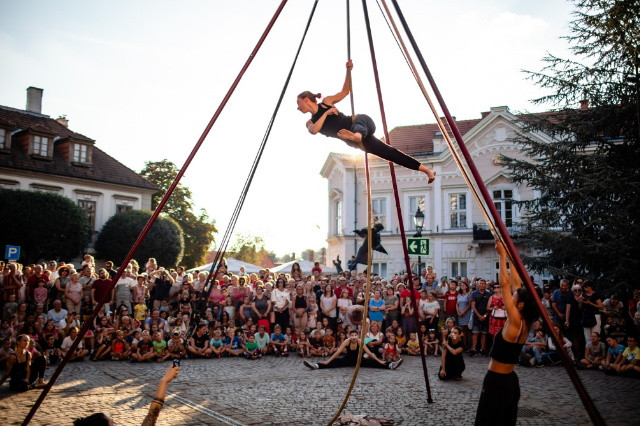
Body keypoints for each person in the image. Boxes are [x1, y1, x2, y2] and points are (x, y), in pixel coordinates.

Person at [297, 60, 436, 182]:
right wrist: (327, 113)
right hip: (359, 142)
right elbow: (314, 130)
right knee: (391, 153)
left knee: (359, 124)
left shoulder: (326, 101)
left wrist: (348, 71)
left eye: (299, 104)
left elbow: (345, 91)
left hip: (360, 122)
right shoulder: (310, 122)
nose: (298, 108)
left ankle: (356, 135)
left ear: (306, 99)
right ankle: (428, 171)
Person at [475, 242, 540, 426]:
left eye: (515, 298)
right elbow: (516, 285)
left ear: (520, 305)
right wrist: (512, 256)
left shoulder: (515, 321)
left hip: (497, 381)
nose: (511, 297)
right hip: (510, 381)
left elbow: (504, 285)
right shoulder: (525, 321)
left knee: (487, 422)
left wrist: (502, 256)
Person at [304, 329, 402, 370]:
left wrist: (379, 360)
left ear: (357, 336)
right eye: (352, 336)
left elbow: (369, 353)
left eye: (355, 335)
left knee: (373, 363)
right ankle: (316, 365)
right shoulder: (347, 341)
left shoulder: (360, 341)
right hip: (347, 360)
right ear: (349, 336)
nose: (354, 337)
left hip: (359, 361)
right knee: (334, 362)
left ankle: (390, 365)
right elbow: (338, 352)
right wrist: (329, 360)